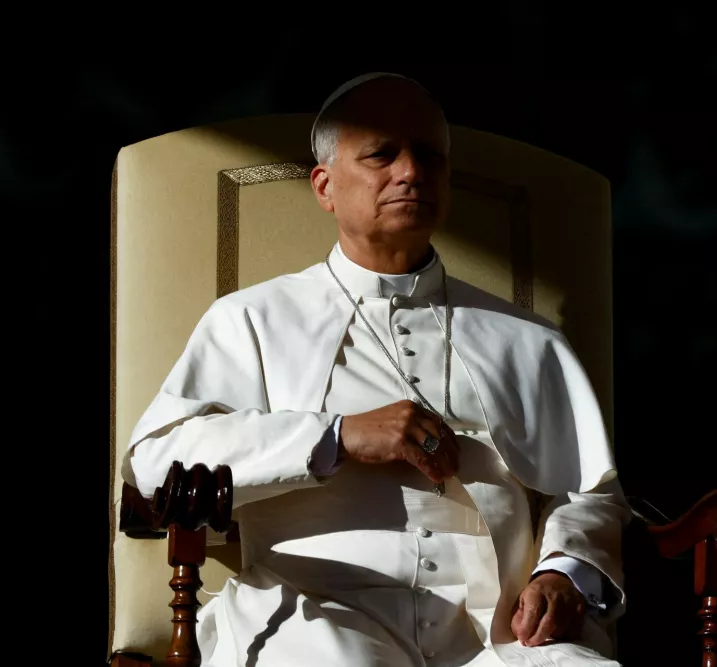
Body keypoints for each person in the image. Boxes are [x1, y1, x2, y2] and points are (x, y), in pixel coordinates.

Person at [122, 72, 629, 667]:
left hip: (498, 637)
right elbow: (156, 462)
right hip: (317, 618)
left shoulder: (529, 339)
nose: (411, 172)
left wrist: (564, 572)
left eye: (429, 157)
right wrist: (337, 436)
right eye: (382, 154)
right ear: (324, 186)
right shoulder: (251, 319)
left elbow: (589, 492)